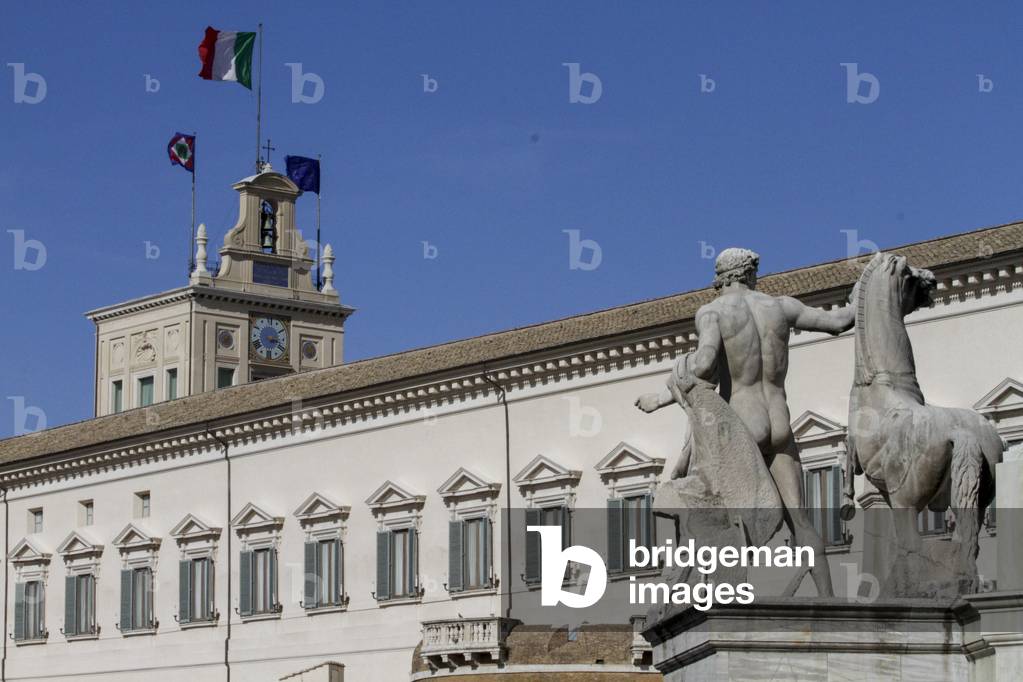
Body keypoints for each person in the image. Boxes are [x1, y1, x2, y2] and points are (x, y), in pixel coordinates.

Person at [636, 248, 855, 596]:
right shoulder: (781, 306)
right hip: (779, 420)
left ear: (719, 279)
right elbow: (840, 321)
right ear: (752, 274)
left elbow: (705, 363)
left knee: (715, 509)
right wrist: (863, 293)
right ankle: (828, 599)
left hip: (742, 422)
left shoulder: (714, 312)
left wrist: (664, 394)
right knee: (800, 522)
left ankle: (722, 592)